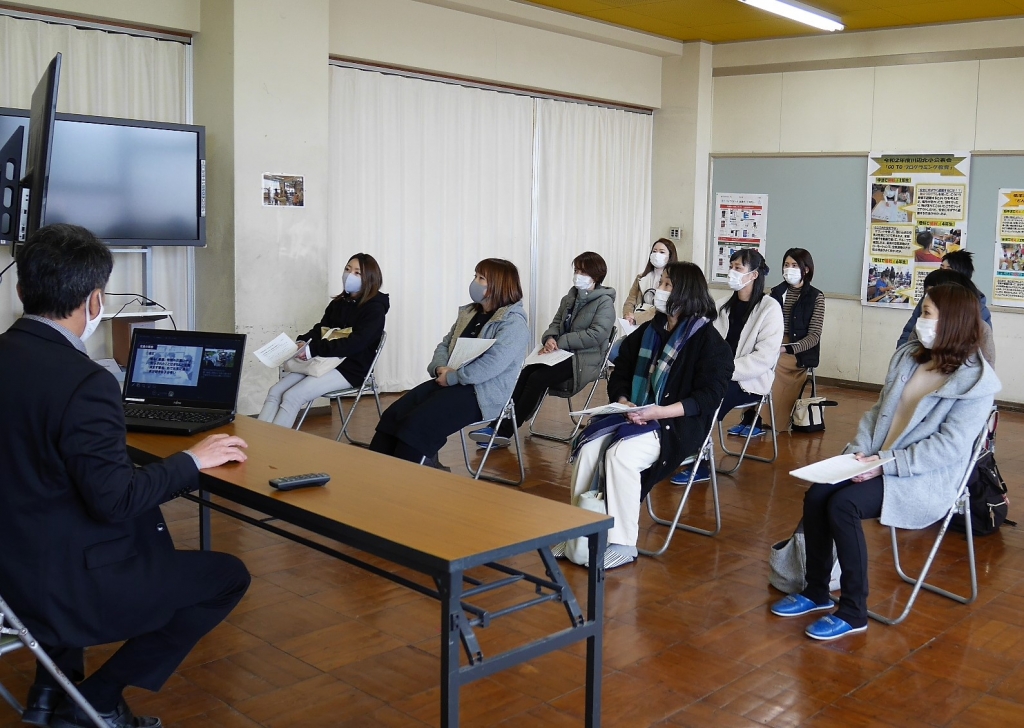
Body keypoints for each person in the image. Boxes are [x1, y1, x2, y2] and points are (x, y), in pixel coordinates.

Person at [0, 224, 251, 728]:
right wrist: (191, 462)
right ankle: (95, 697)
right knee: (227, 577)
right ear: (96, 301)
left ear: (22, 290)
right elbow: (114, 502)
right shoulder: (86, 382)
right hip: (66, 587)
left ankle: (50, 694)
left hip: (12, 569)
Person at [770, 283, 1000, 641]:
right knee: (817, 495)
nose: (918, 321)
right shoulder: (910, 356)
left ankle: (853, 610)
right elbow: (879, 412)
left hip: (922, 476)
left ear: (952, 323)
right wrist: (858, 452)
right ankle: (816, 591)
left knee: (842, 505)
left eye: (926, 313)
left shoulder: (976, 383)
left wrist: (885, 463)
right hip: (877, 458)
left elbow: (949, 448)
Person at [556, 262, 733, 569]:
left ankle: (624, 543)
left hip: (675, 424)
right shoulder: (650, 329)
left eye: (666, 285)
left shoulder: (709, 341)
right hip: (636, 415)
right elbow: (622, 368)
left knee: (620, 455)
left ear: (685, 293)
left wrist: (659, 411)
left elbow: (708, 397)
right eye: (662, 283)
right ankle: (579, 534)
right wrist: (623, 400)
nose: (659, 291)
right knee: (587, 448)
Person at [369, 258, 529, 465]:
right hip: (451, 381)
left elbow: (492, 364)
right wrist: (439, 368)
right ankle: (375, 472)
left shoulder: (514, 323)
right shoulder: (470, 313)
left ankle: (408, 481)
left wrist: (453, 377)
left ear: (498, 285)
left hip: (483, 393)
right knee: (394, 415)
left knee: (419, 424)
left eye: (481, 278)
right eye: (475, 276)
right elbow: (445, 344)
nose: (474, 282)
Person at [469, 252, 615, 448]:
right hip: (561, 354)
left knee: (538, 379)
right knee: (526, 372)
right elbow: (555, 323)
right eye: (576, 270)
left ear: (595, 276)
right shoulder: (569, 298)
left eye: (582, 271)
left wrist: (561, 342)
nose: (577, 274)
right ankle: (497, 425)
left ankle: (505, 431)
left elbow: (596, 334)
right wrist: (550, 338)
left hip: (584, 360)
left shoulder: (604, 303)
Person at [672, 249, 783, 484]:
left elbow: (763, 359)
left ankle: (700, 463)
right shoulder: (721, 306)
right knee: (681, 393)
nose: (731, 272)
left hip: (747, 380)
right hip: (715, 375)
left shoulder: (770, 308)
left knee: (706, 402)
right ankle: (676, 451)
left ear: (753, 275)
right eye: (731, 266)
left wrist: (721, 371)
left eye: (738, 268)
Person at [258, 253, 389, 428]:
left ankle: (274, 448)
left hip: (350, 369)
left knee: (293, 396)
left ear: (370, 278)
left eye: (357, 272)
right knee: (275, 392)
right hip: (323, 361)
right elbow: (321, 329)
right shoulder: (339, 303)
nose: (349, 275)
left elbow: (354, 344)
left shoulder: (374, 309)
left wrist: (313, 350)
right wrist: (303, 342)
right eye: (347, 269)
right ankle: (257, 442)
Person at [740, 248, 824, 435]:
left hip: (796, 353)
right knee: (752, 362)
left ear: (806, 269)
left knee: (773, 366)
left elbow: (814, 336)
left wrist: (786, 349)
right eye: (786, 265)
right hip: (771, 342)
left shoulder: (816, 297)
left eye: (794, 265)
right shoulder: (775, 293)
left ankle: (760, 419)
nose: (789, 269)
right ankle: (748, 415)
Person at [897, 250, 992, 348]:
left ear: (962, 276)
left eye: (948, 269)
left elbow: (982, 349)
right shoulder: (928, 299)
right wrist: (902, 356)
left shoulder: (978, 307)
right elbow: (909, 331)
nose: (942, 273)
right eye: (941, 268)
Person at [898, 269, 996, 364]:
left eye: (937, 292)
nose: (930, 296)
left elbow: (986, 366)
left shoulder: (980, 328)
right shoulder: (922, 324)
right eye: (927, 292)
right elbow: (906, 342)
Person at [622, 238, 678, 327]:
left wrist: (637, 317)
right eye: (654, 251)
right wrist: (628, 316)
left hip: (658, 324)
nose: (657, 255)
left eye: (662, 252)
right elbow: (630, 301)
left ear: (670, 256)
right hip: (635, 324)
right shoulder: (641, 277)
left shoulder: (674, 280)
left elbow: (662, 308)